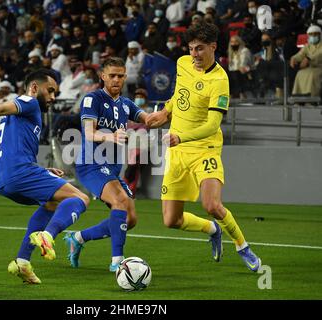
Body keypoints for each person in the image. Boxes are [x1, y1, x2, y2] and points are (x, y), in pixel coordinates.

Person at [146, 22, 262, 272]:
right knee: (171, 220)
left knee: (212, 205)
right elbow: (180, 96)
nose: (194, 55)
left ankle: (243, 246)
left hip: (204, 149)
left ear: (213, 47)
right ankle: (212, 229)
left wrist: (181, 137)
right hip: (178, 154)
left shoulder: (220, 81)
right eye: (190, 49)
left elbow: (212, 125)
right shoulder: (182, 64)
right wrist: (166, 111)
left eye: (199, 49)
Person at [0, 69, 89, 284]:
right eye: (51, 91)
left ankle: (22, 262)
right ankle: (47, 236)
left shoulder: (24, 114)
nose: (54, 97)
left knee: (53, 203)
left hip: (3, 177)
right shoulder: (29, 101)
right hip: (19, 172)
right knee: (81, 198)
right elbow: (0, 107)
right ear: (35, 88)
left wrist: (42, 170)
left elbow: (15, 147)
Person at [64, 57, 150, 272]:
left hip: (111, 169)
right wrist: (111, 136)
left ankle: (78, 238)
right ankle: (117, 262)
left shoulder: (126, 104)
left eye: (120, 76)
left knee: (130, 219)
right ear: (102, 76)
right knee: (120, 200)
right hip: (90, 164)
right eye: (112, 75)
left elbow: (149, 119)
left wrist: (171, 110)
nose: (116, 79)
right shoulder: (92, 99)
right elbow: (89, 132)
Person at [290, 25, 322, 98]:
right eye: (311, 34)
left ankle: (313, 97)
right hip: (310, 68)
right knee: (300, 73)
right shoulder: (307, 46)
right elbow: (300, 55)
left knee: (312, 74)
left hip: (319, 68)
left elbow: (319, 54)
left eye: (315, 34)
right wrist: (294, 58)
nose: (313, 36)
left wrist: (309, 58)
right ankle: (298, 96)